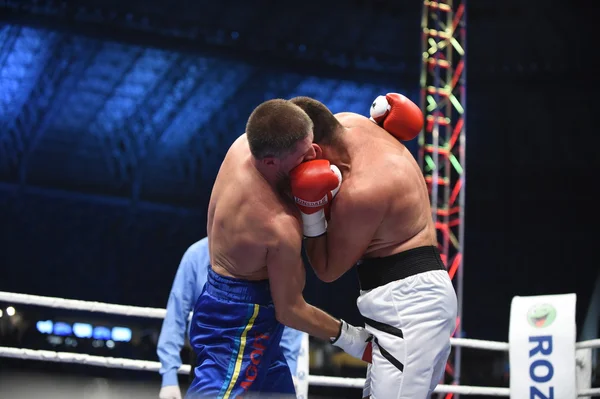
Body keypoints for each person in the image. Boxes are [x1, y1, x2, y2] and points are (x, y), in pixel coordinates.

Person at [186, 99, 372, 398]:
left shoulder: (244, 146)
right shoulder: (275, 226)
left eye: (311, 144)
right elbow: (290, 310)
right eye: (302, 156)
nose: (314, 155)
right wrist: (354, 339)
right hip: (240, 323)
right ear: (271, 162)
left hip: (231, 299)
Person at [289, 94, 458, 399]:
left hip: (409, 309)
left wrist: (310, 210)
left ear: (314, 149)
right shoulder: (350, 122)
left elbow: (327, 270)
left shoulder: (363, 191)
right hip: (414, 302)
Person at [156, 237, 309, 399]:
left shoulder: (268, 251)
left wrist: (291, 368)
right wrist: (169, 377)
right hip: (210, 360)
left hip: (261, 356)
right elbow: (176, 315)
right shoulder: (196, 254)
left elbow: (288, 309)